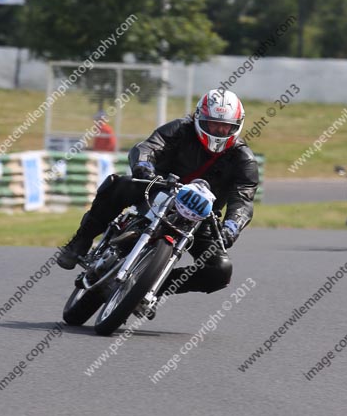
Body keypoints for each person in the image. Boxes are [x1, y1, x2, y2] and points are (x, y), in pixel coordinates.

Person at [57, 89, 259, 298]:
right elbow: (149, 146)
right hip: (158, 189)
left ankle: (153, 287)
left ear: (236, 126)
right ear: (199, 118)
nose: (218, 130)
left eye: (226, 126)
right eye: (213, 123)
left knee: (220, 271)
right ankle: (80, 241)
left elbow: (243, 198)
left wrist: (231, 227)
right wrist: (144, 166)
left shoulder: (244, 159)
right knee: (118, 184)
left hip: (201, 216)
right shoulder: (180, 129)